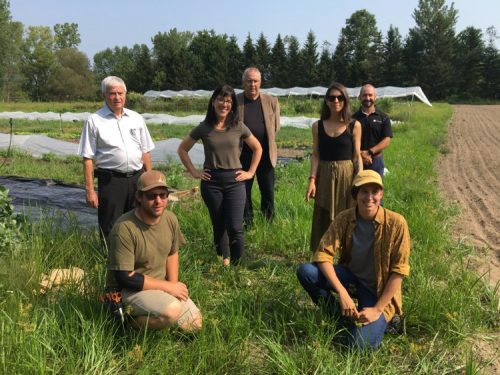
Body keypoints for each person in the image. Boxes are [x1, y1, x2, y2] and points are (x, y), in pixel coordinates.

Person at [297, 170, 410, 349]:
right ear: (356, 194)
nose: (369, 197)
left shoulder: (396, 223)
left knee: (357, 347)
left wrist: (377, 310)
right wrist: (342, 293)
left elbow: (399, 271)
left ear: (381, 194)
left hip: (378, 292)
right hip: (352, 280)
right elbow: (323, 254)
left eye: (375, 191)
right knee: (306, 272)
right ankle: (339, 316)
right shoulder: (344, 218)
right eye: (364, 191)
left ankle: (385, 321)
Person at [106, 170, 202, 331]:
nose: (158, 201)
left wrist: (173, 286)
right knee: (171, 311)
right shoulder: (124, 228)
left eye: (162, 195)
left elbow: (172, 253)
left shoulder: (170, 219)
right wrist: (168, 288)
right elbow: (124, 277)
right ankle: (127, 325)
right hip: (129, 291)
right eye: (151, 196)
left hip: (160, 285)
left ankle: (160, 320)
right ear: (139, 197)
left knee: (194, 325)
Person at [177, 84, 262, 266]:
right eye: (221, 100)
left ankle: (238, 265)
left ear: (232, 104)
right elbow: (183, 149)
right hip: (211, 182)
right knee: (219, 224)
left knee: (235, 227)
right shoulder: (204, 128)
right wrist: (194, 171)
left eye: (229, 101)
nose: (225, 104)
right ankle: (223, 260)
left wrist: (250, 172)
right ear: (213, 102)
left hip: (235, 181)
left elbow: (258, 148)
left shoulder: (238, 126)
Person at [78, 76, 154, 240]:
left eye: (120, 93)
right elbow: (87, 158)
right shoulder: (94, 121)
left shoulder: (136, 118)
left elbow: (145, 151)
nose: (117, 97)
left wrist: (151, 181)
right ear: (104, 95)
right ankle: (109, 261)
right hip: (112, 181)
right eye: (112, 93)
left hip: (137, 178)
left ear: (126, 94)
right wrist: (90, 190)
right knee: (111, 224)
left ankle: (136, 259)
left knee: (139, 220)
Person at [306, 82, 363, 252]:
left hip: (346, 175)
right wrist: (312, 180)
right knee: (323, 215)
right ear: (326, 101)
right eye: (332, 98)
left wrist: (359, 179)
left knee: (347, 214)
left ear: (345, 100)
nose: (336, 101)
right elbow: (316, 155)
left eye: (340, 97)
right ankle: (323, 254)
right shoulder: (317, 126)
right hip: (324, 175)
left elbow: (356, 155)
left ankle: (347, 254)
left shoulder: (354, 125)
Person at [236, 67, 280, 226]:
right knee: (243, 191)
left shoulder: (271, 101)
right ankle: (247, 224)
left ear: (260, 82)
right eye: (249, 81)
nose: (252, 84)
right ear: (243, 82)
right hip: (243, 156)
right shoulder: (236, 101)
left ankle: (268, 223)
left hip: (266, 155)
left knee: (267, 191)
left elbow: (276, 126)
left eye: (255, 81)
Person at [352, 84, 392, 178]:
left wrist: (369, 152)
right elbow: (349, 139)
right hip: (356, 159)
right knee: (356, 189)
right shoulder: (352, 118)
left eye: (370, 95)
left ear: (375, 97)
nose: (367, 98)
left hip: (376, 161)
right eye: (364, 95)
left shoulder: (384, 117)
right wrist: (361, 154)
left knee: (375, 190)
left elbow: (386, 140)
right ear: (359, 97)